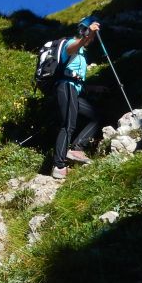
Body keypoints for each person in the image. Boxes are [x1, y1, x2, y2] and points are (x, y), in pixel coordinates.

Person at [51, 17, 101, 180]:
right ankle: (58, 166)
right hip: (65, 88)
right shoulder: (71, 43)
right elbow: (72, 49)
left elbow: (76, 78)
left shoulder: (82, 54)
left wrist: (94, 88)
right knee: (68, 125)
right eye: (91, 36)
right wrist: (87, 35)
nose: (92, 40)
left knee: (96, 117)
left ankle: (77, 148)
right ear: (84, 32)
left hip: (74, 90)